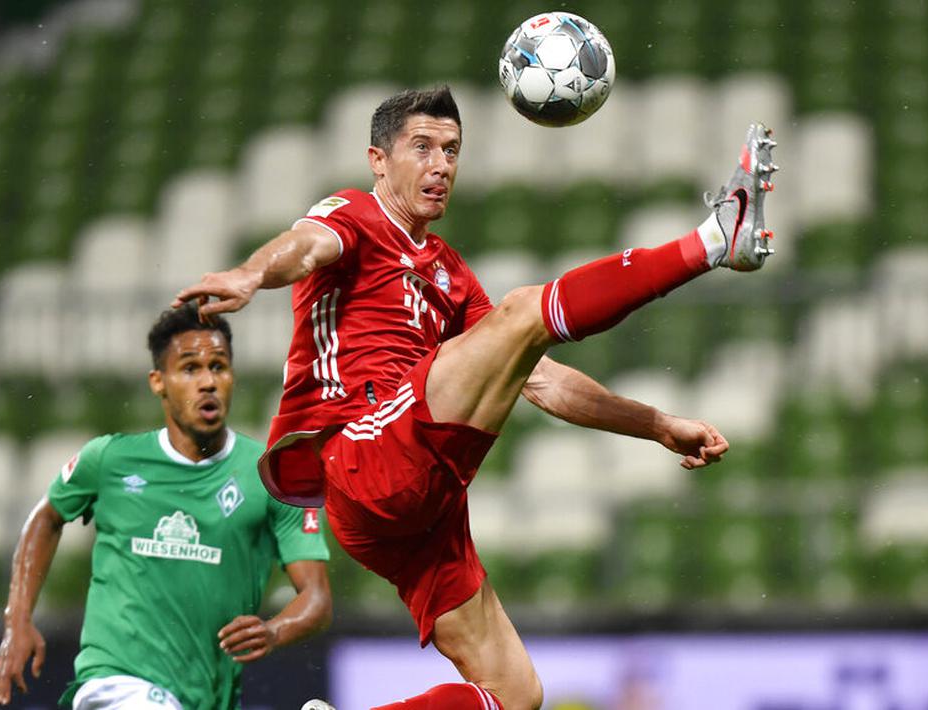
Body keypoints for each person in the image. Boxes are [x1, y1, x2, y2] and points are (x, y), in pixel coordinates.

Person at [173, 86, 779, 710]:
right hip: (356, 453)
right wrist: (251, 273)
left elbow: (541, 380)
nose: (440, 166)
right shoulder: (354, 215)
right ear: (378, 159)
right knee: (520, 312)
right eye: (423, 148)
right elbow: (305, 247)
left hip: (416, 507)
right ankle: (711, 241)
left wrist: (654, 423)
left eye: (452, 151)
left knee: (516, 696)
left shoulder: (452, 275)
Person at [0, 305, 333, 709]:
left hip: (207, 696)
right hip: (114, 684)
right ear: (158, 382)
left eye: (218, 367)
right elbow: (47, 516)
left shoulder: (271, 477)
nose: (207, 382)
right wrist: (18, 619)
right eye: (190, 369)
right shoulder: (109, 460)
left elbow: (317, 600)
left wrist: (274, 630)